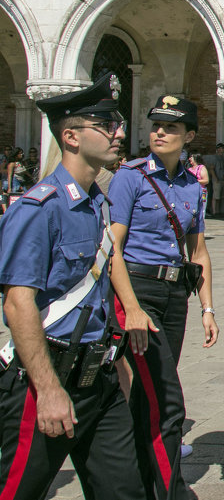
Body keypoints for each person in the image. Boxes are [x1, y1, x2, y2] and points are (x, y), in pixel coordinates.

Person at [0, 74, 147, 500]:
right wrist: (48, 391)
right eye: (105, 125)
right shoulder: (37, 209)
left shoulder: (96, 201)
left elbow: (97, 293)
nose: (118, 133)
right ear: (71, 136)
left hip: (98, 381)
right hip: (47, 381)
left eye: (117, 123)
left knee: (125, 491)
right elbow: (18, 304)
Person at [106, 96, 218, 500]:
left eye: (170, 127)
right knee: (167, 399)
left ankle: (136, 480)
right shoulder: (131, 177)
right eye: (155, 125)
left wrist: (207, 308)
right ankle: (173, 491)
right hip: (138, 292)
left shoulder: (193, 185)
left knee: (147, 392)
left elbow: (199, 251)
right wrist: (131, 308)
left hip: (175, 295)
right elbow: (112, 248)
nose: (159, 132)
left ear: (188, 136)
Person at [205, 144, 224, 218]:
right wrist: (215, 178)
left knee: (220, 196)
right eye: (220, 148)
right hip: (216, 179)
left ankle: (218, 211)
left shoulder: (222, 158)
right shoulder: (215, 158)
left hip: (221, 179)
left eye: (223, 148)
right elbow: (211, 169)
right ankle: (214, 211)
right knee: (215, 196)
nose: (222, 150)